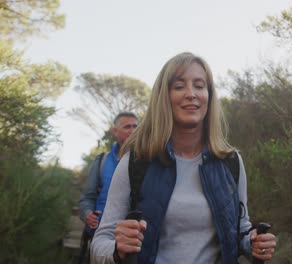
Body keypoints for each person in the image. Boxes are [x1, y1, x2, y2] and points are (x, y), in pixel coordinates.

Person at [91, 52, 277, 263]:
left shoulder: (231, 162)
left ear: (209, 95)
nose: (191, 94)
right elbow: (100, 243)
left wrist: (253, 244)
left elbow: (241, 228)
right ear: (164, 96)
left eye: (199, 86)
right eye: (179, 86)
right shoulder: (135, 163)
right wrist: (117, 250)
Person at [78, 112, 138, 262]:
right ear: (115, 132)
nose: (132, 130)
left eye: (136, 126)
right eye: (127, 127)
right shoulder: (101, 161)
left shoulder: (146, 161)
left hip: (131, 241)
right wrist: (87, 214)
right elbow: (87, 198)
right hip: (99, 238)